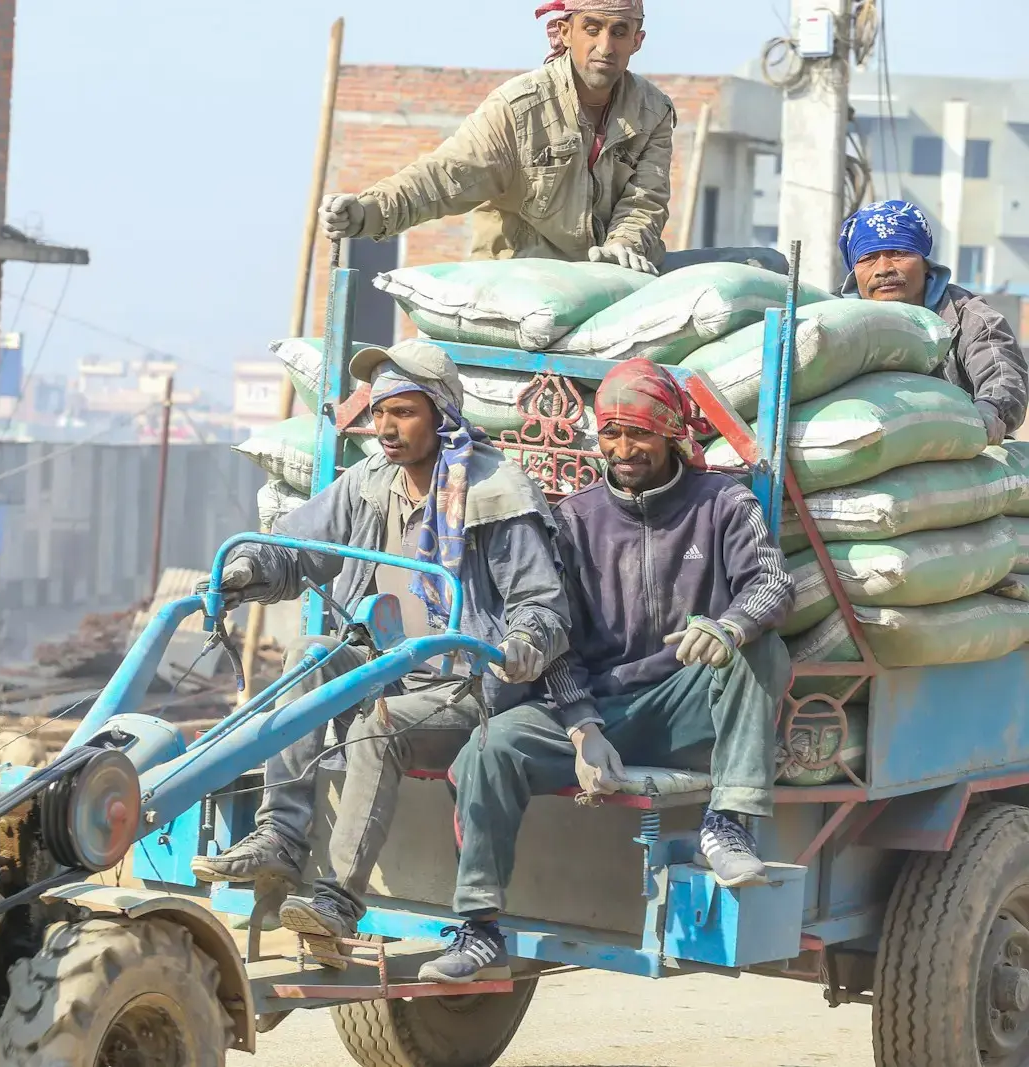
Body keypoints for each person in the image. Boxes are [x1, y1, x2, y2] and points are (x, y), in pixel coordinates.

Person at [191, 340, 572, 955]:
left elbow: (542, 604)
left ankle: (339, 899)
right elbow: (297, 546)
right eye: (379, 412)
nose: (386, 428)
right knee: (312, 655)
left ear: (442, 414)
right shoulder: (370, 482)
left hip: (468, 690)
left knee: (382, 721)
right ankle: (280, 838)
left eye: (404, 412)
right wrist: (247, 568)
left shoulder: (497, 493)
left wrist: (526, 641)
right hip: (389, 666)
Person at [425, 359, 794, 984]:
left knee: (762, 650)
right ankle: (479, 928)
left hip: (685, 702)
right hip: (599, 707)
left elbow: (771, 583)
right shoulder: (574, 519)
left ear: (673, 433)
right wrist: (580, 726)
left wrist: (728, 626)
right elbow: (553, 633)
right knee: (490, 746)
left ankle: (729, 822)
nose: (624, 449)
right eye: (613, 434)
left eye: (640, 434)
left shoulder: (722, 501)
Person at [317, 1, 672, 273]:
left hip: (610, 281)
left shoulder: (652, 112)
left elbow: (645, 201)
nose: (605, 46)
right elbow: (445, 177)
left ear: (637, 41)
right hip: (522, 279)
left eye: (619, 32)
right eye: (592, 29)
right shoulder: (520, 109)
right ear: (565, 32)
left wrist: (624, 246)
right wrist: (368, 211)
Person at [841, 199, 1029, 445]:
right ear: (854, 270)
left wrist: (989, 408)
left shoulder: (968, 317)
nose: (884, 268)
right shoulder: (837, 324)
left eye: (899, 253)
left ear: (926, 264)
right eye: (869, 257)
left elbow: (1000, 371)